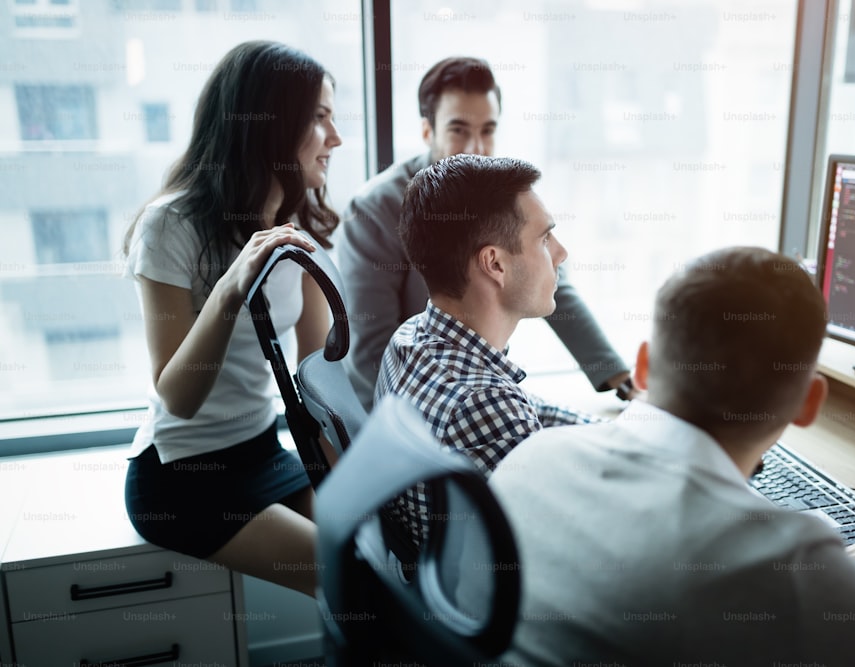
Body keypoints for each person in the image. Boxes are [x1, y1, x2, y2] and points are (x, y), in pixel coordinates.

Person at [489, 247, 855, 666]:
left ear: (645, 366)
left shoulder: (528, 457)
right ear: (808, 403)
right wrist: (832, 588)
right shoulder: (788, 563)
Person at [121, 41, 342, 597]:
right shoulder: (170, 226)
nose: (335, 139)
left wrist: (359, 479)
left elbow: (318, 386)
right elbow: (179, 396)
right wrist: (229, 290)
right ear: (269, 125)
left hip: (263, 451)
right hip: (182, 478)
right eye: (318, 119)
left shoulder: (299, 234)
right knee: (355, 582)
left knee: (384, 557)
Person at [335, 56, 634, 411]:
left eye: (488, 130)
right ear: (427, 131)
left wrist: (620, 379)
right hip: (413, 407)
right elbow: (372, 346)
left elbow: (552, 281)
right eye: (459, 129)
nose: (476, 147)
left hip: (478, 385)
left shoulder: (497, 197)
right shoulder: (373, 209)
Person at [375, 153, 597, 546]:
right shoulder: (482, 403)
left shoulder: (411, 339)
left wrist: (617, 436)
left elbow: (530, 409)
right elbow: (579, 537)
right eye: (545, 239)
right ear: (494, 263)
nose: (561, 254)